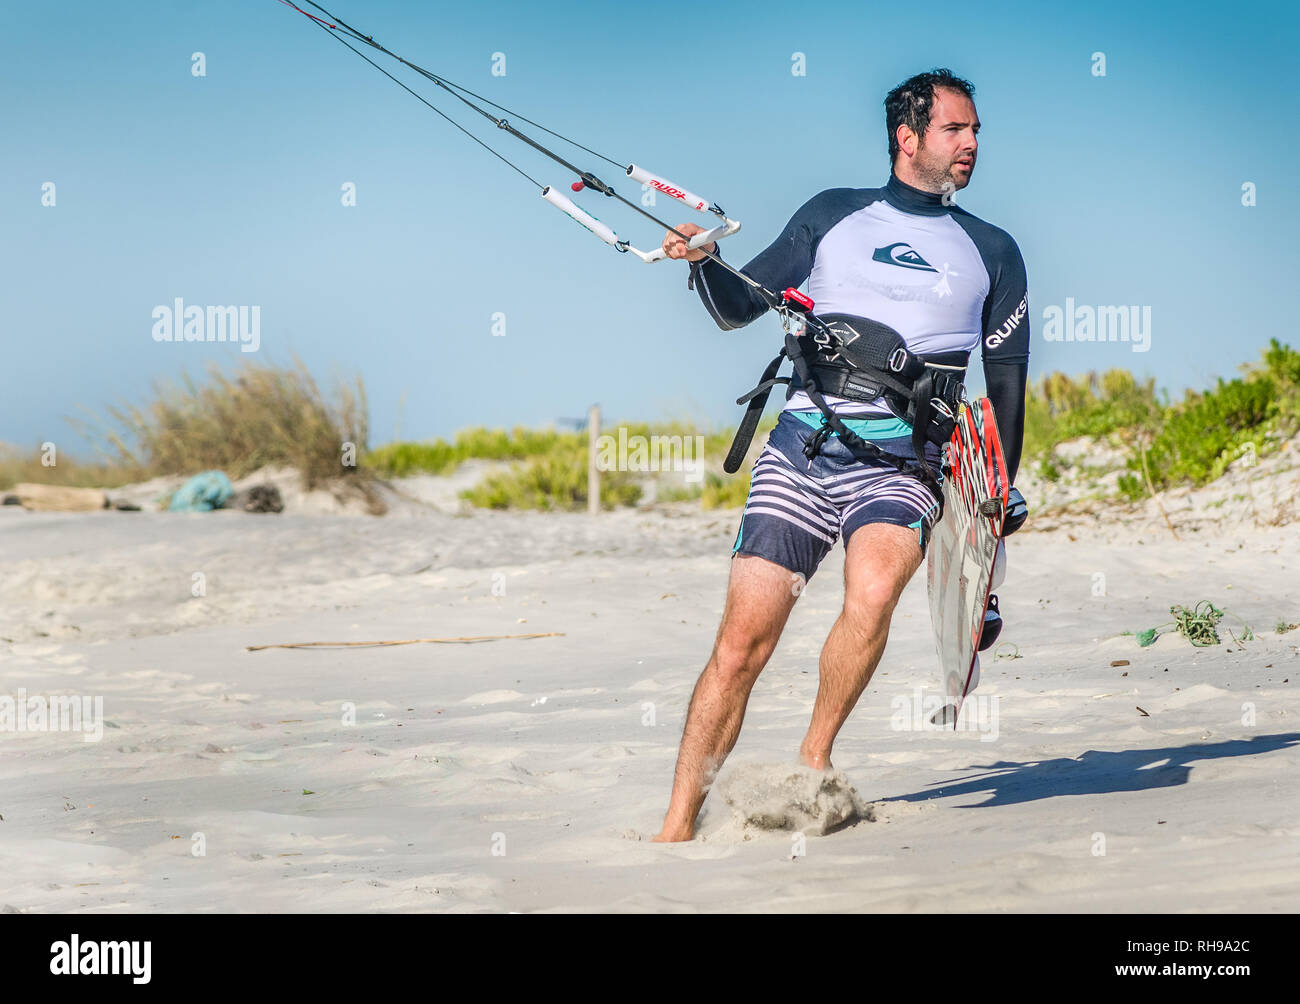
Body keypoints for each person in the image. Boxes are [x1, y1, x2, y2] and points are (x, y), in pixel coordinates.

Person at [653, 69, 1030, 842]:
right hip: (804, 446)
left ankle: (811, 764)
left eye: (976, 131)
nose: (972, 144)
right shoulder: (832, 215)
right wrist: (699, 261)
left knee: (873, 590)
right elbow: (735, 307)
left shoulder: (993, 250)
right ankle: (675, 823)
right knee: (741, 642)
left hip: (908, 464)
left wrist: (1000, 488)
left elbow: (1009, 382)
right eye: (956, 129)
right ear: (908, 135)